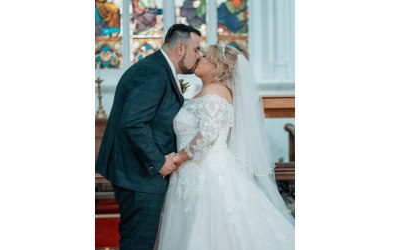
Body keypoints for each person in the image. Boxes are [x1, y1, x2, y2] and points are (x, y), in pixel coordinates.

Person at [156, 44, 295, 249]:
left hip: (207, 174)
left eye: (205, 57)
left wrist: (176, 159)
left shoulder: (215, 93)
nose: (199, 58)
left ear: (219, 67)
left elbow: (207, 136)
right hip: (191, 172)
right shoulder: (204, 91)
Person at [95, 24, 201, 250]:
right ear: (181, 48)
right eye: (196, 50)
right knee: (138, 242)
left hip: (138, 172)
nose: (198, 56)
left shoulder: (159, 68)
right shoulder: (153, 72)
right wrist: (159, 162)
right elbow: (133, 123)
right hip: (138, 174)